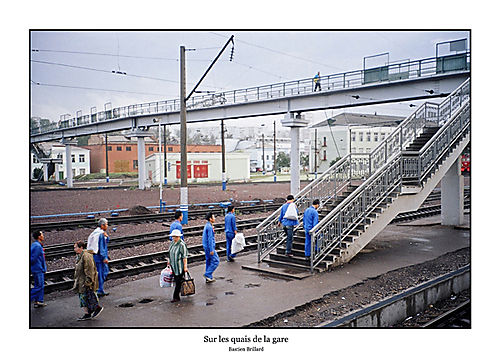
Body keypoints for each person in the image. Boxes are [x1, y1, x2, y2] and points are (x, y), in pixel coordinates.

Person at [73, 241, 103, 321]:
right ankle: (88, 313)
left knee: (87, 296)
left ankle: (91, 311)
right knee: (85, 297)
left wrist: (88, 282)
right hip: (81, 281)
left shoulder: (86, 256)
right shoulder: (80, 255)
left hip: (85, 281)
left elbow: (89, 270)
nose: (74, 249)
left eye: (76, 247)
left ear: (81, 247)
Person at [87, 218, 110, 297]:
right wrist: (104, 258)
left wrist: (107, 237)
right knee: (102, 273)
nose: (107, 226)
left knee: (97, 273)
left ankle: (97, 289)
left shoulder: (95, 233)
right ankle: (99, 290)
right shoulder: (100, 234)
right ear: (102, 225)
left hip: (94, 256)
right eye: (106, 224)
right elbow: (101, 247)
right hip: (100, 257)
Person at [168, 229, 189, 303]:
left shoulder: (182, 245)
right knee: (178, 281)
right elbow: (170, 253)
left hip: (180, 267)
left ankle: (176, 297)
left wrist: (185, 267)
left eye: (175, 236)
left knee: (178, 282)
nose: (174, 238)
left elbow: (184, 256)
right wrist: (169, 261)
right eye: (173, 236)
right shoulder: (172, 243)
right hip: (173, 266)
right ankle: (183, 291)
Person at [30, 231, 47, 308]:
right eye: (42, 234)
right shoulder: (37, 246)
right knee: (39, 286)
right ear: (39, 237)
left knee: (39, 285)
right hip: (37, 269)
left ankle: (39, 301)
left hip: (38, 268)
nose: (43, 236)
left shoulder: (36, 245)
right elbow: (33, 259)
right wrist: (41, 267)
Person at [202, 212, 219, 283]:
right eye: (213, 217)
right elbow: (210, 239)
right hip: (209, 247)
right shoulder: (209, 227)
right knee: (216, 261)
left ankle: (209, 277)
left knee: (209, 261)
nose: (215, 218)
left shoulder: (207, 225)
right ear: (210, 219)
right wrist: (211, 249)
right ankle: (207, 274)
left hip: (206, 246)